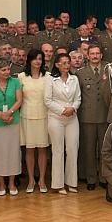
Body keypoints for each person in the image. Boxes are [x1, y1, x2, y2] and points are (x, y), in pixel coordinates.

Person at [45, 53, 82, 195]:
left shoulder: (75, 79)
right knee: (58, 150)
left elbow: (78, 98)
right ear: (57, 65)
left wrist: (72, 108)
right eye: (63, 63)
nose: (67, 65)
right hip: (56, 118)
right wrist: (62, 110)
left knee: (73, 149)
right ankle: (58, 184)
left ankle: (71, 182)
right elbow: (47, 100)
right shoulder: (51, 80)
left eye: (68, 62)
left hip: (72, 118)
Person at [0, 58, 23, 196]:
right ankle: (1, 184)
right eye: (4, 70)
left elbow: (19, 100)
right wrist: (1, 115)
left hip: (13, 121)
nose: (7, 72)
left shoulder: (16, 82)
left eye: (8, 69)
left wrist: (9, 112)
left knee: (13, 153)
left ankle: (12, 183)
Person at [75, 45, 108, 191]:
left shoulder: (109, 69)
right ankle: (90, 178)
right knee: (88, 149)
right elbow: (78, 95)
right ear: (87, 56)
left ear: (101, 55)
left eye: (97, 53)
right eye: (92, 54)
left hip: (105, 115)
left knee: (104, 149)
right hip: (87, 116)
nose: (95, 56)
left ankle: (103, 177)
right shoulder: (80, 73)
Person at [19, 49, 49, 194]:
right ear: (29, 60)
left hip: (44, 116)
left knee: (43, 149)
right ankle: (31, 180)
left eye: (40, 59)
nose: (37, 61)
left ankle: (42, 180)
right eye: (35, 59)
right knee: (29, 150)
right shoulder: (21, 77)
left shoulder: (48, 76)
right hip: (27, 116)